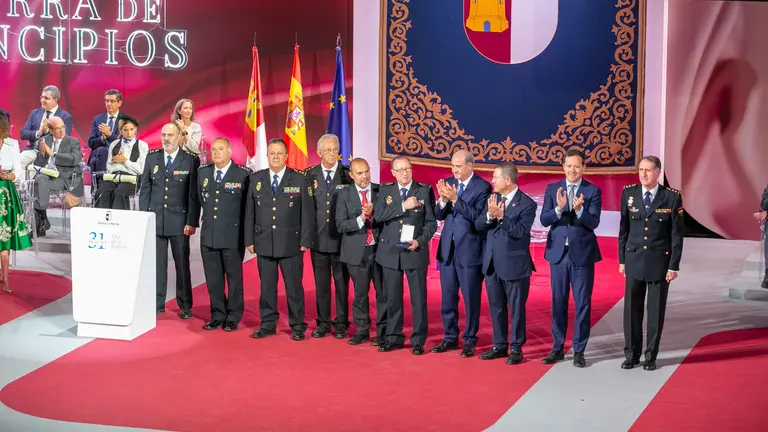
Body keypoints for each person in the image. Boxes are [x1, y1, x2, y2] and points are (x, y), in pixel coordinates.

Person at [619, 156, 684, 371]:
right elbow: (623, 230)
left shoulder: (671, 197)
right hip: (634, 260)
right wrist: (622, 260)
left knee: (655, 311)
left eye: (648, 170)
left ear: (658, 172)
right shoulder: (629, 194)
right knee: (631, 310)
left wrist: (673, 266)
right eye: (641, 170)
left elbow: (676, 235)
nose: (643, 174)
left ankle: (650, 356)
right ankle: (631, 354)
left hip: (659, 263)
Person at [245, 138, 314, 341]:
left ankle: (297, 326)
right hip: (264, 241)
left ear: (286, 156)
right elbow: (249, 213)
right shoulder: (256, 179)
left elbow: (307, 213)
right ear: (267, 156)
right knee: (266, 288)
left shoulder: (299, 179)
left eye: (279, 153)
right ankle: (267, 324)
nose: (275, 157)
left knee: (294, 288)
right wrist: (249, 239)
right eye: (272, 153)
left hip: (291, 243)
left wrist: (305, 240)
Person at [539, 148, 602, 367]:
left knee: (582, 303)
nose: (572, 170)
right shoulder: (552, 188)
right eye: (569, 166)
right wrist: (559, 208)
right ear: (563, 167)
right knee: (558, 301)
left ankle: (579, 350)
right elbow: (544, 220)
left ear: (583, 167)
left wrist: (580, 210)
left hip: (582, 255)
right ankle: (557, 347)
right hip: (558, 255)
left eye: (576, 166)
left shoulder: (592, 191)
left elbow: (594, 222)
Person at [474, 162, 536, 364]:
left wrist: (502, 217)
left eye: (496, 177)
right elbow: (478, 224)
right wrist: (490, 214)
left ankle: (516, 348)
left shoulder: (527, 204)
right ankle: (499, 345)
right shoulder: (492, 199)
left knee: (516, 309)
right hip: (492, 264)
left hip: (515, 266)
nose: (492, 181)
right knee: (496, 308)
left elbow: (520, 231)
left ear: (507, 180)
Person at [374, 155, 437, 355]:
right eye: (400, 170)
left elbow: (431, 223)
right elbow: (378, 216)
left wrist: (420, 241)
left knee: (418, 298)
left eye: (407, 169)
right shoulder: (385, 190)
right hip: (390, 252)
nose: (404, 173)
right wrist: (403, 206)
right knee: (392, 298)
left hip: (414, 251)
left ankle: (418, 340)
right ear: (393, 173)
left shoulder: (424, 190)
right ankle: (394, 337)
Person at [432, 149, 491, 358]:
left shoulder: (483, 187)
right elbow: (439, 214)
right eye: (452, 166)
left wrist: (456, 199)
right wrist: (442, 200)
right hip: (448, 250)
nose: (454, 170)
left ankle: (469, 340)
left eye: (458, 166)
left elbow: (478, 218)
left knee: (470, 299)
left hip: (470, 251)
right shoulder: (449, 183)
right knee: (448, 298)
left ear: (470, 166)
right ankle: (450, 337)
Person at [139, 123, 201, 318]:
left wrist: (191, 221)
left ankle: (185, 305)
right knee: (157, 265)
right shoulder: (152, 158)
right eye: (164, 135)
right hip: (156, 219)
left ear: (180, 137)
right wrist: (144, 217)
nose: (166, 139)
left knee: (182, 264)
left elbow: (193, 195)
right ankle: (157, 303)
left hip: (179, 221)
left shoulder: (190, 160)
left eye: (170, 135)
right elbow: (145, 189)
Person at [197, 138, 250, 331]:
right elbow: (198, 200)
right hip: (209, 235)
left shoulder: (243, 174)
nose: (216, 152)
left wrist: (248, 237)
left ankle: (233, 315)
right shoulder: (203, 173)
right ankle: (218, 314)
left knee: (234, 279)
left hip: (232, 237)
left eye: (221, 149)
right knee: (213, 279)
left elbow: (248, 210)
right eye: (213, 149)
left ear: (229, 152)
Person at [303, 134, 352, 338]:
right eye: (328, 150)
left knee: (341, 284)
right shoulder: (310, 175)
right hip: (319, 240)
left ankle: (341, 323)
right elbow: (306, 210)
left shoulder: (347, 175)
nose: (332, 154)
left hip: (341, 240)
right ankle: (323, 323)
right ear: (319, 152)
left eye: (335, 150)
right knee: (321, 285)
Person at [335, 158, 387, 346]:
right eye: (359, 173)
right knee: (360, 294)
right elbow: (341, 225)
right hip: (356, 252)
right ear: (351, 175)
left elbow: (389, 218)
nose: (364, 176)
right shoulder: (344, 195)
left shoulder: (381, 191)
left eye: (366, 171)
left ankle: (383, 332)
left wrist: (374, 215)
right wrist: (362, 217)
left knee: (383, 293)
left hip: (380, 251)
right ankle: (362, 330)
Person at [30, 116, 83, 237]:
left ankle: (41, 223)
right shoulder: (44, 140)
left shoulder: (72, 141)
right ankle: (43, 221)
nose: (62, 130)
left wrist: (53, 154)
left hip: (64, 178)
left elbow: (75, 159)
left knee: (39, 186)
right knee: (39, 179)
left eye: (63, 127)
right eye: (58, 128)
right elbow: (38, 164)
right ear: (51, 130)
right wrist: (42, 153)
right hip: (48, 175)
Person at [0, 111, 32, 293]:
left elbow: (17, 171)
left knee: (4, 236)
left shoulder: (12, 144)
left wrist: (8, 176)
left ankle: (5, 278)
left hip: (5, 193)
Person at [94, 115, 148, 210]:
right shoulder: (114, 144)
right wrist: (122, 166)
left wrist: (124, 160)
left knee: (119, 193)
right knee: (102, 192)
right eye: (125, 130)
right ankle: (102, 218)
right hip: (113, 177)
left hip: (131, 179)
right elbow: (109, 167)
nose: (129, 133)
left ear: (135, 129)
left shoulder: (142, 145)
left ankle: (119, 219)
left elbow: (140, 169)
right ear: (121, 131)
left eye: (131, 129)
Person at [19, 85, 74, 174]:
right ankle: (20, 183)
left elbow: (64, 138)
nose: (42, 100)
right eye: (42, 97)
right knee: (20, 160)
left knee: (37, 170)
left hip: (51, 152)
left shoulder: (65, 116)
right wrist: (39, 132)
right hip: (33, 150)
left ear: (55, 100)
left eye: (46, 98)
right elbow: (23, 133)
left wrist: (49, 131)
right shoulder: (35, 113)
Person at [87, 89, 123, 174]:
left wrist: (110, 134)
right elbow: (91, 143)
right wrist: (102, 138)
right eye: (107, 101)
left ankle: (101, 180)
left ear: (119, 103)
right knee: (100, 152)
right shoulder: (98, 119)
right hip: (98, 154)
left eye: (112, 101)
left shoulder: (125, 120)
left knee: (101, 153)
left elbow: (125, 143)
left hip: (116, 155)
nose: (108, 104)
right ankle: (101, 181)